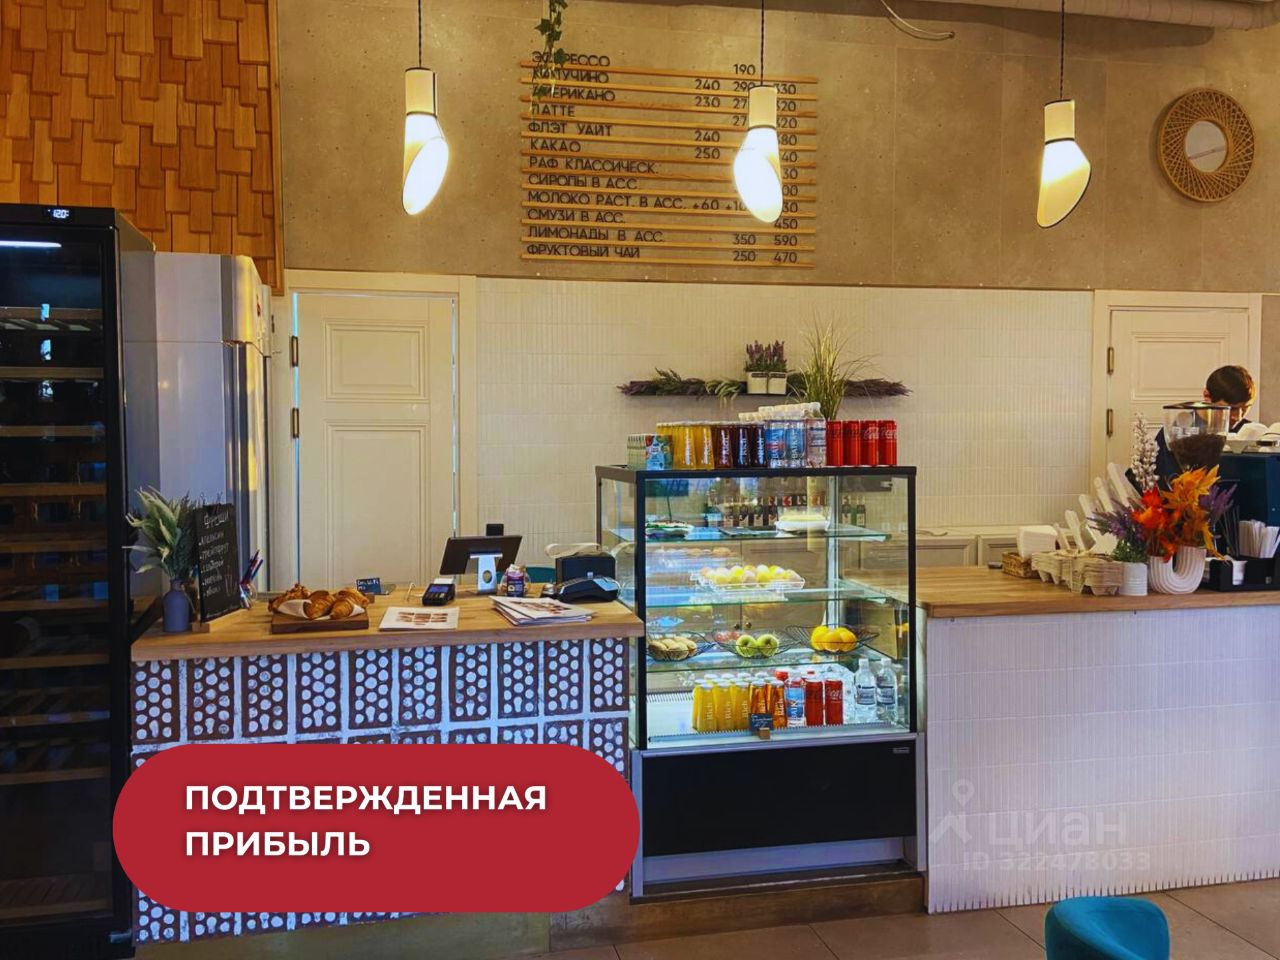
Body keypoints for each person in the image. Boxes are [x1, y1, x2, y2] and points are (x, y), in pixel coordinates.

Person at [1151, 365, 1255, 484]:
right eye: (1231, 408)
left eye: (1245, 408)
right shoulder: (1177, 431)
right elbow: (1163, 479)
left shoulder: (1247, 431)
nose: (1238, 417)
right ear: (1207, 396)